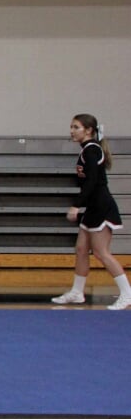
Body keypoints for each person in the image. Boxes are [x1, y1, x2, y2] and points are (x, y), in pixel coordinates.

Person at [51, 114, 131, 310]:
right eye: (71, 126)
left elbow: (92, 181)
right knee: (81, 249)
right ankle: (77, 292)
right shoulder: (88, 150)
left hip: (102, 207)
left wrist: (77, 205)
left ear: (88, 130)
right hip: (93, 208)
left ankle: (127, 294)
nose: (71, 130)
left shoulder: (91, 150)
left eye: (76, 127)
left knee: (101, 252)